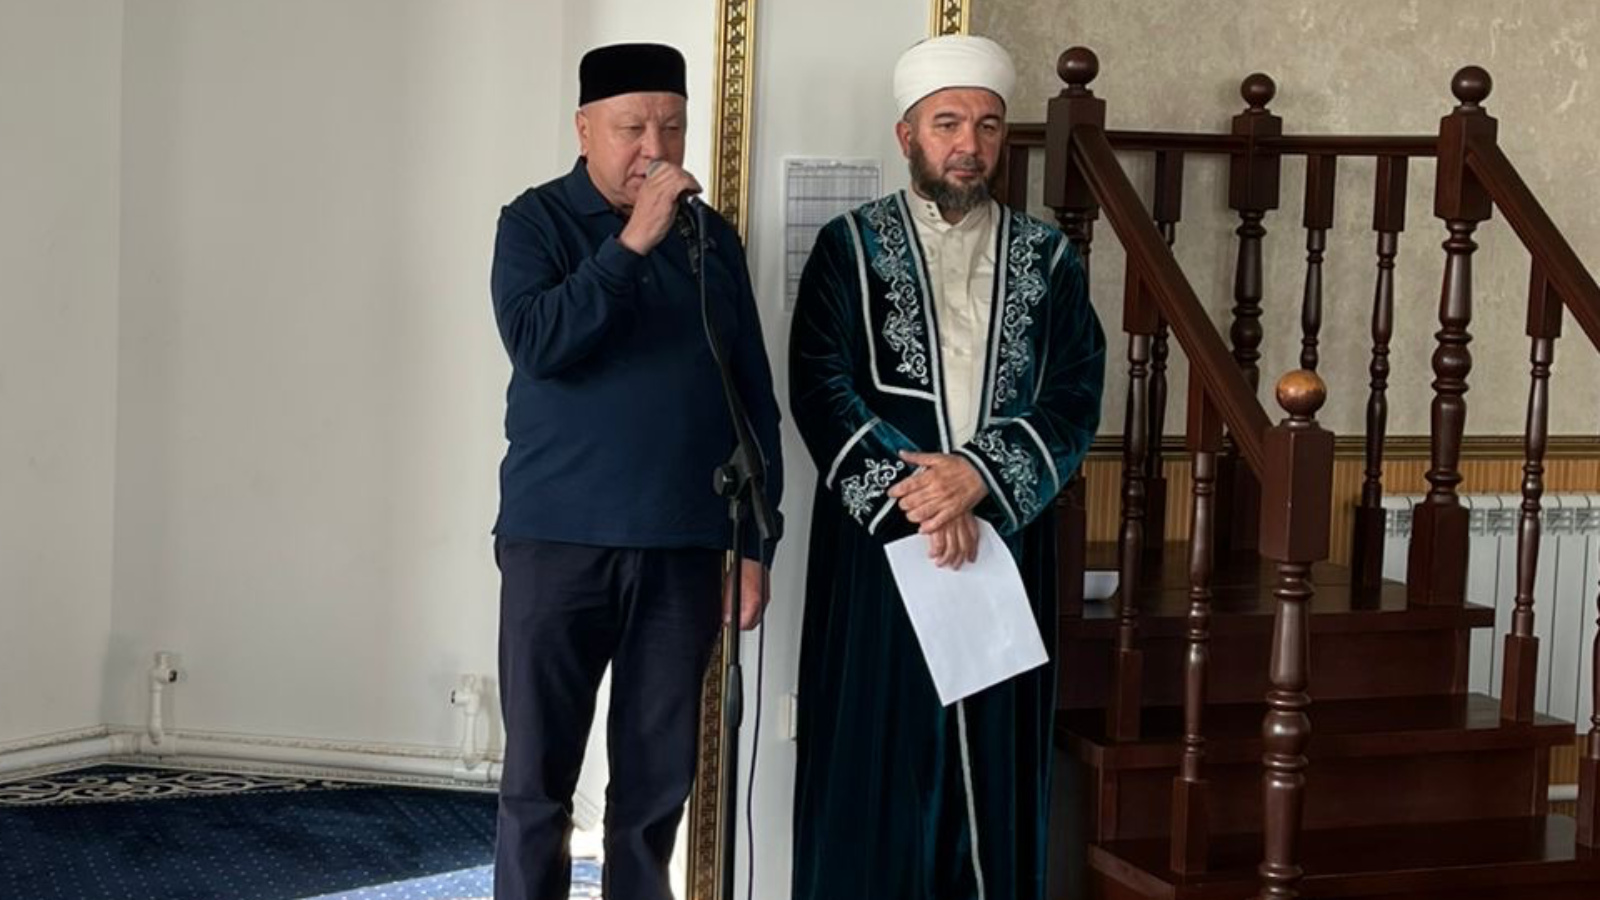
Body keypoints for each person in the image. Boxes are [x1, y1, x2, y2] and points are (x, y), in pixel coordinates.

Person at [788, 34, 1105, 900]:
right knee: (877, 767)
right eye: (948, 123)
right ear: (908, 136)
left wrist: (979, 481)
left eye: (988, 126)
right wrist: (927, 502)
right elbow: (819, 388)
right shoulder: (848, 248)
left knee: (992, 771)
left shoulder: (1050, 259)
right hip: (883, 555)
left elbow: (1075, 395)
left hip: (1004, 544)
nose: (969, 144)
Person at [488, 42, 783, 900]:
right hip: (556, 542)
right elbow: (539, 343)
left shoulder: (710, 239)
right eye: (632, 128)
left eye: (673, 127)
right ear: (585, 129)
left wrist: (756, 544)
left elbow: (751, 398)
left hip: (683, 546)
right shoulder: (534, 222)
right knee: (537, 782)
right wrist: (630, 243)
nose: (655, 148)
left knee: (655, 789)